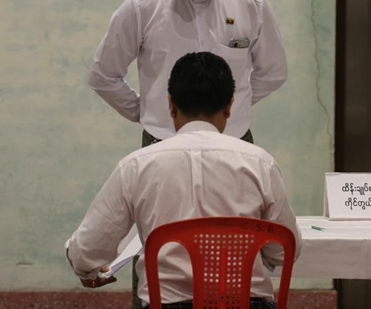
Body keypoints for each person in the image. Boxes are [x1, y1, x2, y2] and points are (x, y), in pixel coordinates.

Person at [67, 52, 301, 309]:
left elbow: (86, 252)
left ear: (170, 105)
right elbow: (284, 251)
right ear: (229, 106)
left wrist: (88, 269)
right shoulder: (260, 164)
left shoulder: (136, 166)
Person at [87, 0, 287, 148]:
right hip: (161, 142)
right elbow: (103, 75)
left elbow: (274, 72)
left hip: (233, 142)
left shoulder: (251, 3)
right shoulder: (141, 6)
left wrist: (235, 103)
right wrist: (147, 110)